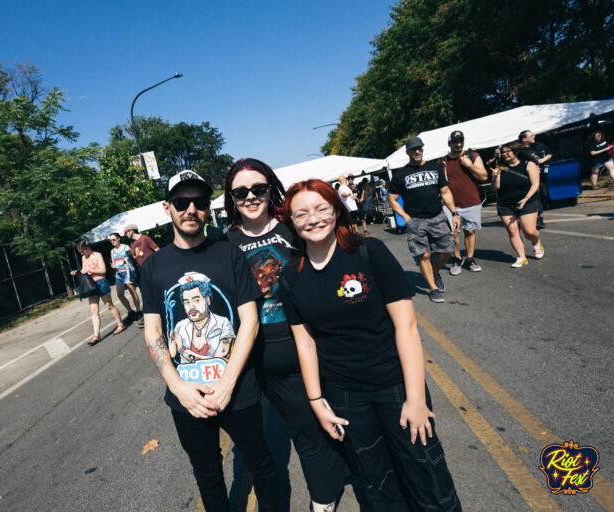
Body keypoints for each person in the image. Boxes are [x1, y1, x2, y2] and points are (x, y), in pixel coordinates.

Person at [279, 179, 461, 511]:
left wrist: (416, 398)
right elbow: (305, 342)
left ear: (336, 210)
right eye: (301, 213)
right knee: (375, 482)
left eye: (322, 208)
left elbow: (405, 325)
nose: (313, 219)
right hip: (345, 396)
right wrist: (317, 402)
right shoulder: (290, 275)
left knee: (426, 475)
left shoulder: (368, 251)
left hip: (394, 385)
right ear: (291, 222)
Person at [140, 170, 280, 512]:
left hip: (238, 390)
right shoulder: (153, 265)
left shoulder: (228, 254)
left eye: (199, 202)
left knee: (261, 465)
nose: (191, 209)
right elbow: (153, 332)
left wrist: (229, 383)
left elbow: (249, 320)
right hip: (187, 396)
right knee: (207, 474)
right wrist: (177, 387)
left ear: (207, 208)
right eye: (181, 202)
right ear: (167, 208)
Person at [223, 158, 347, 512]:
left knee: (307, 431)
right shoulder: (225, 243)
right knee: (256, 447)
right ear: (231, 198)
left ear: (270, 189)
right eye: (241, 191)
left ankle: (323, 499)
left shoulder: (293, 229)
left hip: (298, 350)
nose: (250, 196)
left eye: (258, 189)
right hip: (249, 357)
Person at [388, 137, 460, 303]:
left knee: (448, 249)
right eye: (413, 149)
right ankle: (433, 288)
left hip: (437, 217)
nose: (417, 151)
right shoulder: (400, 174)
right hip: (416, 221)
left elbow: (445, 191)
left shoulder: (434, 168)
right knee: (425, 255)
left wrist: (454, 213)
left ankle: (434, 272)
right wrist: (406, 218)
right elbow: (392, 199)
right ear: (407, 152)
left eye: (419, 148)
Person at [442, 130, 489, 275]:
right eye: (455, 142)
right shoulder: (443, 161)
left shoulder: (472, 156)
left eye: (461, 141)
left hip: (471, 201)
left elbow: (484, 177)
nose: (459, 144)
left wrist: (469, 165)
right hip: (451, 205)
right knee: (453, 232)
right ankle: (457, 259)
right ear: (449, 143)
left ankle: (470, 259)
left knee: (469, 231)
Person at [492, 142, 544, 268]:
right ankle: (521, 257)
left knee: (529, 232)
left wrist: (526, 198)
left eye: (507, 151)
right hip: (505, 203)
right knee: (512, 231)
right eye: (502, 152)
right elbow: (495, 188)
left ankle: (536, 241)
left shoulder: (528, 164)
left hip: (527, 201)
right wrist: (495, 178)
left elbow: (535, 184)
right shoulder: (500, 166)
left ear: (516, 151)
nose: (504, 154)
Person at [70, 240, 125, 342]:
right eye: (80, 252)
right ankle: (96, 335)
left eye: (83, 251)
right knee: (94, 311)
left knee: (109, 305)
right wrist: (77, 273)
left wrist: (89, 270)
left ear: (88, 248)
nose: (82, 254)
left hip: (101, 282)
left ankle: (120, 324)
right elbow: (84, 272)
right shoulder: (83, 258)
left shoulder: (97, 255)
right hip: (90, 285)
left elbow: (103, 270)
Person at [124, 224, 159, 327]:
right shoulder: (132, 243)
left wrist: (160, 264)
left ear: (131, 231)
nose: (125, 235)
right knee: (147, 293)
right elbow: (137, 257)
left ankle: (158, 314)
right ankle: (151, 316)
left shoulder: (145, 238)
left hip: (153, 269)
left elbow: (157, 249)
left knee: (156, 291)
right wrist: (131, 257)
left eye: (126, 233)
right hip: (142, 271)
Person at [518, 130, 552, 229]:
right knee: (534, 196)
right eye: (531, 135)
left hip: (542, 175)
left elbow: (550, 153)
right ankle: (537, 218)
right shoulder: (519, 151)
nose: (534, 136)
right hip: (528, 177)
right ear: (524, 139)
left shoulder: (538, 145)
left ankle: (538, 214)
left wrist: (543, 160)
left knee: (544, 195)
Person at [109, 233, 142, 324]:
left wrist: (125, 260)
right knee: (120, 294)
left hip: (127, 272)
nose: (112, 242)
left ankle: (138, 311)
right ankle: (130, 311)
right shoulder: (112, 251)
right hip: (119, 274)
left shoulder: (126, 247)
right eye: (110, 240)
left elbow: (132, 257)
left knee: (132, 292)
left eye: (113, 239)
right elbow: (113, 263)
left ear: (118, 239)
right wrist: (113, 265)